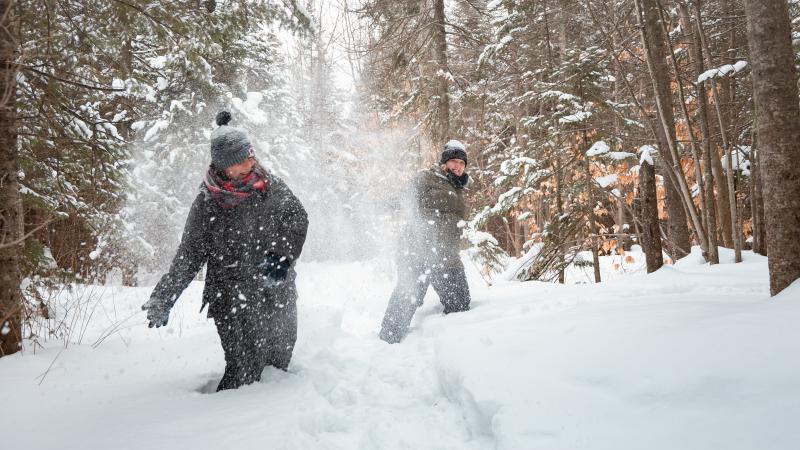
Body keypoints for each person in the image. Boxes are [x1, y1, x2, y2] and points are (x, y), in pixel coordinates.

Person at [141, 111, 309, 391]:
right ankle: (227, 426)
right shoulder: (208, 203)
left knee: (279, 358)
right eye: (243, 161)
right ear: (225, 166)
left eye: (251, 157)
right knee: (245, 370)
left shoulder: (270, 186)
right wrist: (164, 296)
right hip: (232, 297)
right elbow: (190, 254)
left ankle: (278, 424)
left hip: (276, 289)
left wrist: (279, 260)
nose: (250, 163)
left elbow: (297, 220)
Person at [379, 140, 472, 344]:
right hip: (417, 251)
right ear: (444, 163)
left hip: (446, 256)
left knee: (460, 304)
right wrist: (383, 205)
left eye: (462, 163)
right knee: (407, 296)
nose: (458, 166)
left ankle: (454, 345)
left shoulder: (459, 186)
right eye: (454, 161)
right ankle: (387, 341)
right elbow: (404, 197)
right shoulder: (427, 178)